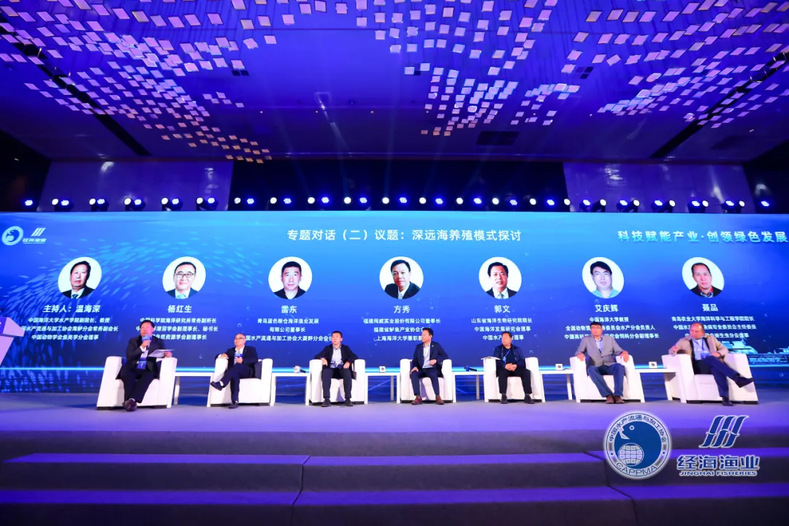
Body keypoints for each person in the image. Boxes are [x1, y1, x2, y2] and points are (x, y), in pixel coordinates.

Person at [670, 322, 754, 406]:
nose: (693, 333)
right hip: (698, 366)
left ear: (703, 332)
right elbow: (671, 351)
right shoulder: (683, 341)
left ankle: (725, 398)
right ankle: (737, 378)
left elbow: (724, 349)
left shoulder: (711, 338)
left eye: (696, 331)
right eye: (691, 331)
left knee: (717, 369)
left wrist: (718, 353)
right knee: (712, 359)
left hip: (713, 363)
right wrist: (674, 350)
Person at [119, 320, 171, 411]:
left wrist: (166, 354)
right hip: (133, 366)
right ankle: (131, 402)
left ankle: (131, 400)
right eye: (142, 328)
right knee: (128, 375)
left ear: (153, 329)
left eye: (147, 327)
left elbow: (162, 353)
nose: (144, 329)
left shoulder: (158, 341)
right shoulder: (133, 341)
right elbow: (129, 356)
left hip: (148, 368)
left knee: (148, 376)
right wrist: (142, 347)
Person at [575, 322, 629, 404]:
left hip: (610, 365)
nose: (595, 330)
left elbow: (618, 350)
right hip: (596, 366)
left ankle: (618, 395)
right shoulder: (586, 340)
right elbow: (579, 351)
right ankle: (608, 395)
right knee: (590, 369)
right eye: (593, 328)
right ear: (590, 330)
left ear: (601, 329)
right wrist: (580, 354)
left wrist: (624, 352)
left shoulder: (609, 339)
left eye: (597, 328)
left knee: (619, 367)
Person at [210, 333, 259, 409]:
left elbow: (254, 359)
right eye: (236, 338)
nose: (237, 340)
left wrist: (243, 361)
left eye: (239, 338)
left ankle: (221, 383)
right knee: (235, 374)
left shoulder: (250, 349)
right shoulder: (231, 351)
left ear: (244, 340)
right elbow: (217, 356)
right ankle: (235, 401)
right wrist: (221, 356)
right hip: (234, 371)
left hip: (247, 371)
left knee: (237, 366)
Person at [314, 331, 358, 407]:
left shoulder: (345, 348)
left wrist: (348, 362)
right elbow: (317, 356)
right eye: (333, 337)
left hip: (342, 368)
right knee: (326, 372)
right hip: (331, 369)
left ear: (341, 339)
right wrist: (322, 358)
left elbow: (354, 356)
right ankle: (326, 399)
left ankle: (348, 399)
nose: (334, 338)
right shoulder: (328, 348)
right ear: (331, 339)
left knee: (347, 373)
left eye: (337, 337)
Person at [409, 327, 449, 405]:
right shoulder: (418, 347)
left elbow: (444, 356)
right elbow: (415, 359)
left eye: (424, 335)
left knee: (433, 374)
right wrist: (415, 366)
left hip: (431, 368)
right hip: (421, 369)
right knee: (414, 374)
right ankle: (418, 397)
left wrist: (436, 360)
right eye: (421, 335)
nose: (422, 336)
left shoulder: (436, 345)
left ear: (430, 336)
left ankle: (437, 396)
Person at [492, 331, 534, 404]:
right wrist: (505, 366)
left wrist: (516, 365)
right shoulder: (498, 349)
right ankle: (503, 396)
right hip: (504, 368)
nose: (503, 340)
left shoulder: (516, 349)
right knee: (502, 373)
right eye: (502, 338)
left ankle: (527, 396)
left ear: (511, 339)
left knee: (526, 372)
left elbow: (522, 361)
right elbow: (496, 361)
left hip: (515, 368)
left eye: (505, 338)